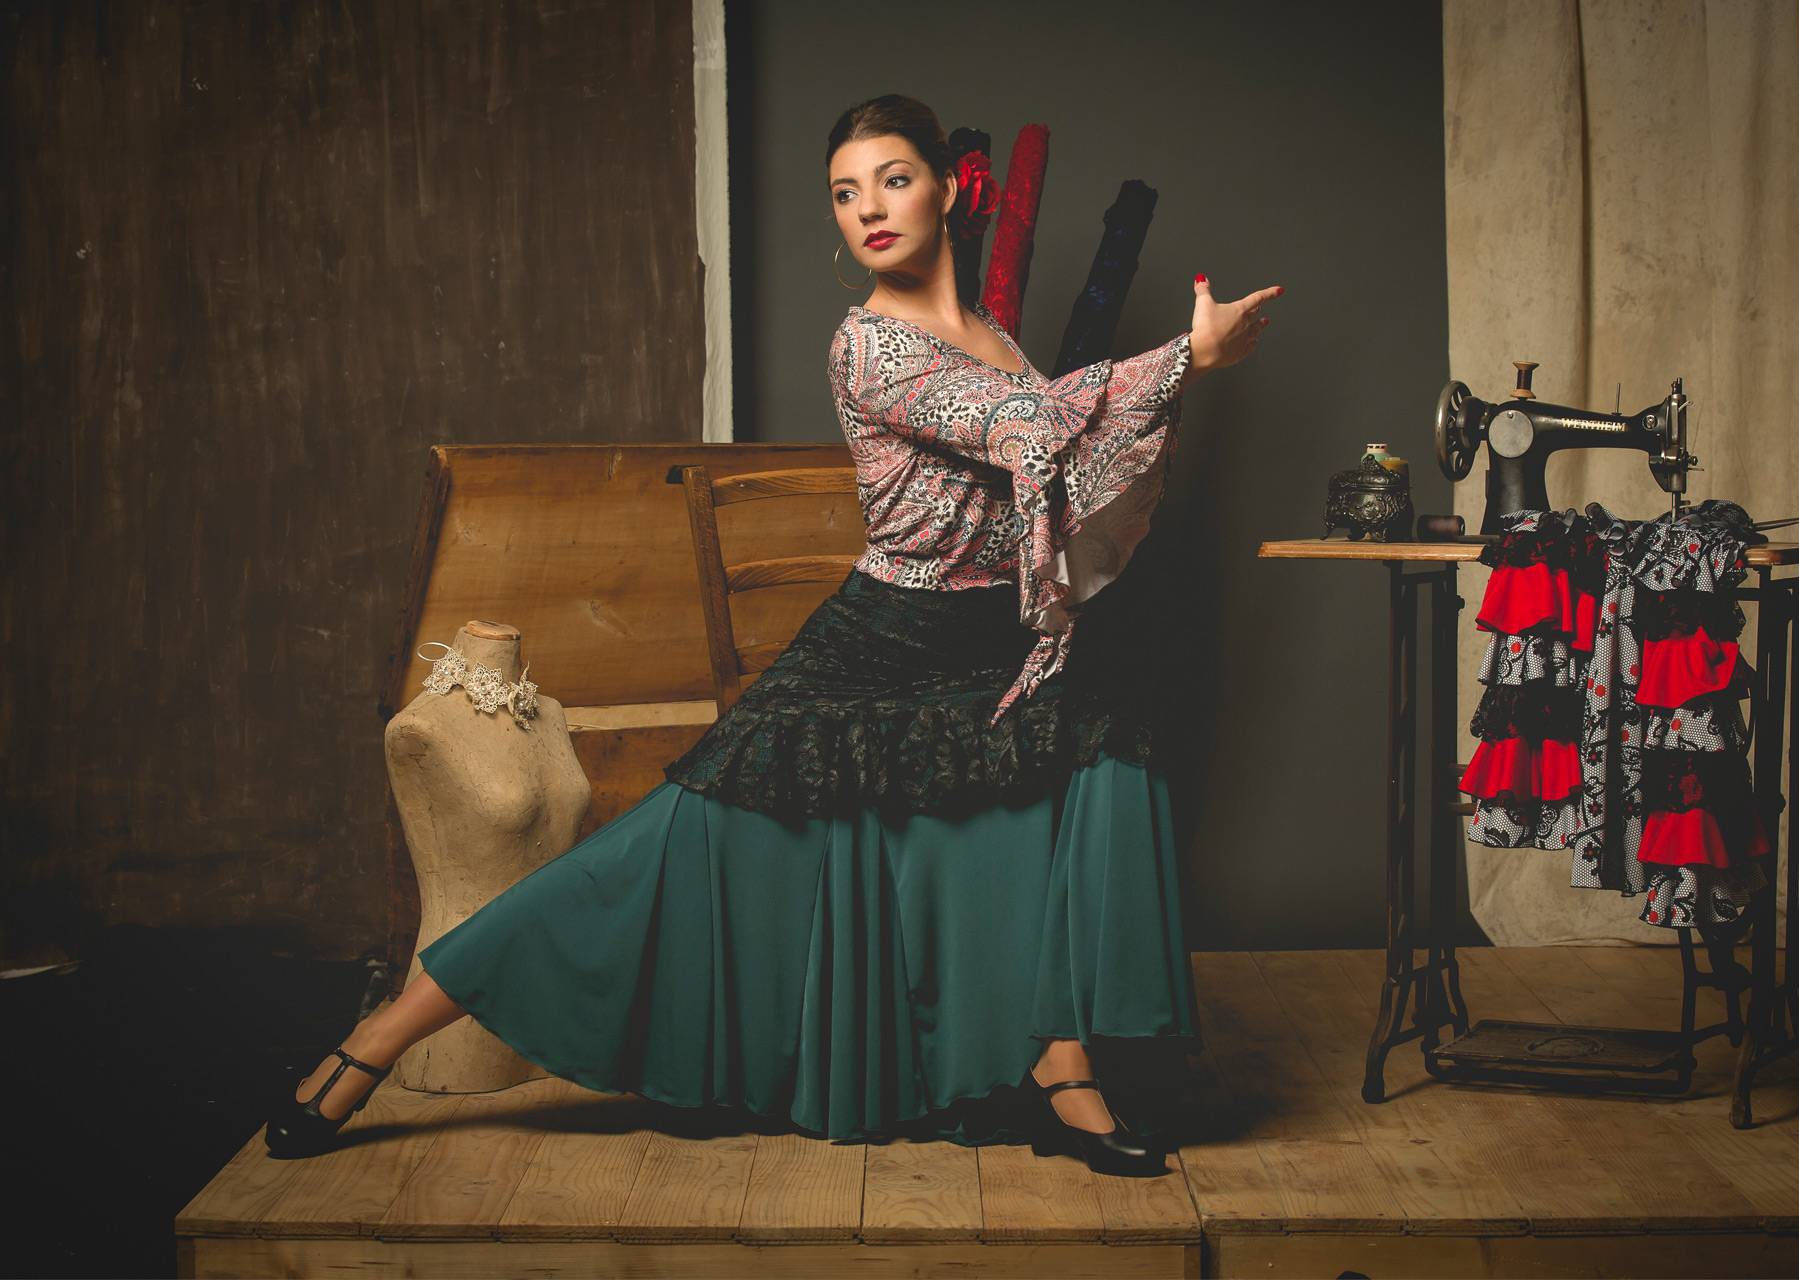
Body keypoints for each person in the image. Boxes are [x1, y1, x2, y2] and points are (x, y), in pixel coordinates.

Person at [265, 93, 1278, 1179]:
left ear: (950, 189)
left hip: (985, 644)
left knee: (1080, 759)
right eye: (845, 194)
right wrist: (1184, 356)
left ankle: (1060, 1063)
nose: (869, 209)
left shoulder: (993, 336)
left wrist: (1167, 377)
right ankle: (379, 1036)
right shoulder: (867, 346)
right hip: (878, 645)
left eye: (893, 180)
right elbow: (1026, 427)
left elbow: (1065, 460)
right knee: (648, 863)